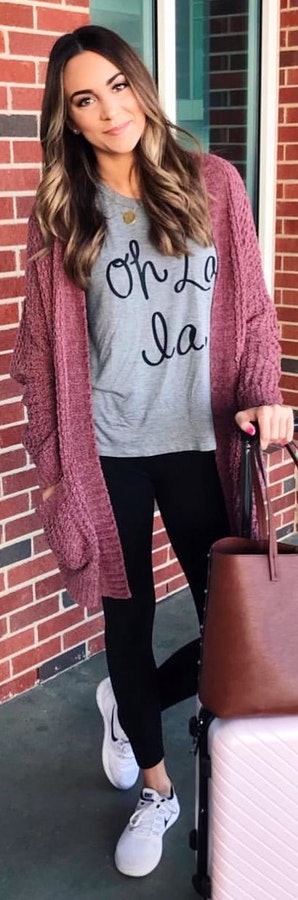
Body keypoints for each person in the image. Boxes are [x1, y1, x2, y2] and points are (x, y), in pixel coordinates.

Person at [11, 24, 294, 879]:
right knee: (125, 621)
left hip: (202, 441)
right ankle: (159, 789)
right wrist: (59, 456)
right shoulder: (62, 211)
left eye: (116, 88)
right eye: (83, 101)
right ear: (68, 119)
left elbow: (248, 317)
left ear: (141, 85)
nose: (107, 112)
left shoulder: (215, 185)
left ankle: (126, 707)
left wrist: (269, 400)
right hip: (109, 455)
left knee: (231, 625)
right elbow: (35, 351)